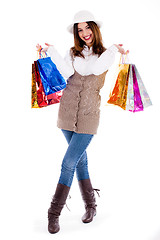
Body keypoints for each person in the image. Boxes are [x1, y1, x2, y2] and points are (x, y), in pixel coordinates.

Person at [36, 10, 127, 234]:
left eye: (88, 28)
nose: (84, 33)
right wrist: (52, 51)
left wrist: (115, 48)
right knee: (80, 162)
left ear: (94, 29)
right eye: (80, 29)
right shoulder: (72, 52)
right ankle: (91, 206)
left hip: (88, 116)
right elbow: (67, 71)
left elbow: (94, 69)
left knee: (68, 163)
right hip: (66, 113)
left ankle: (53, 213)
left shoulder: (105, 54)